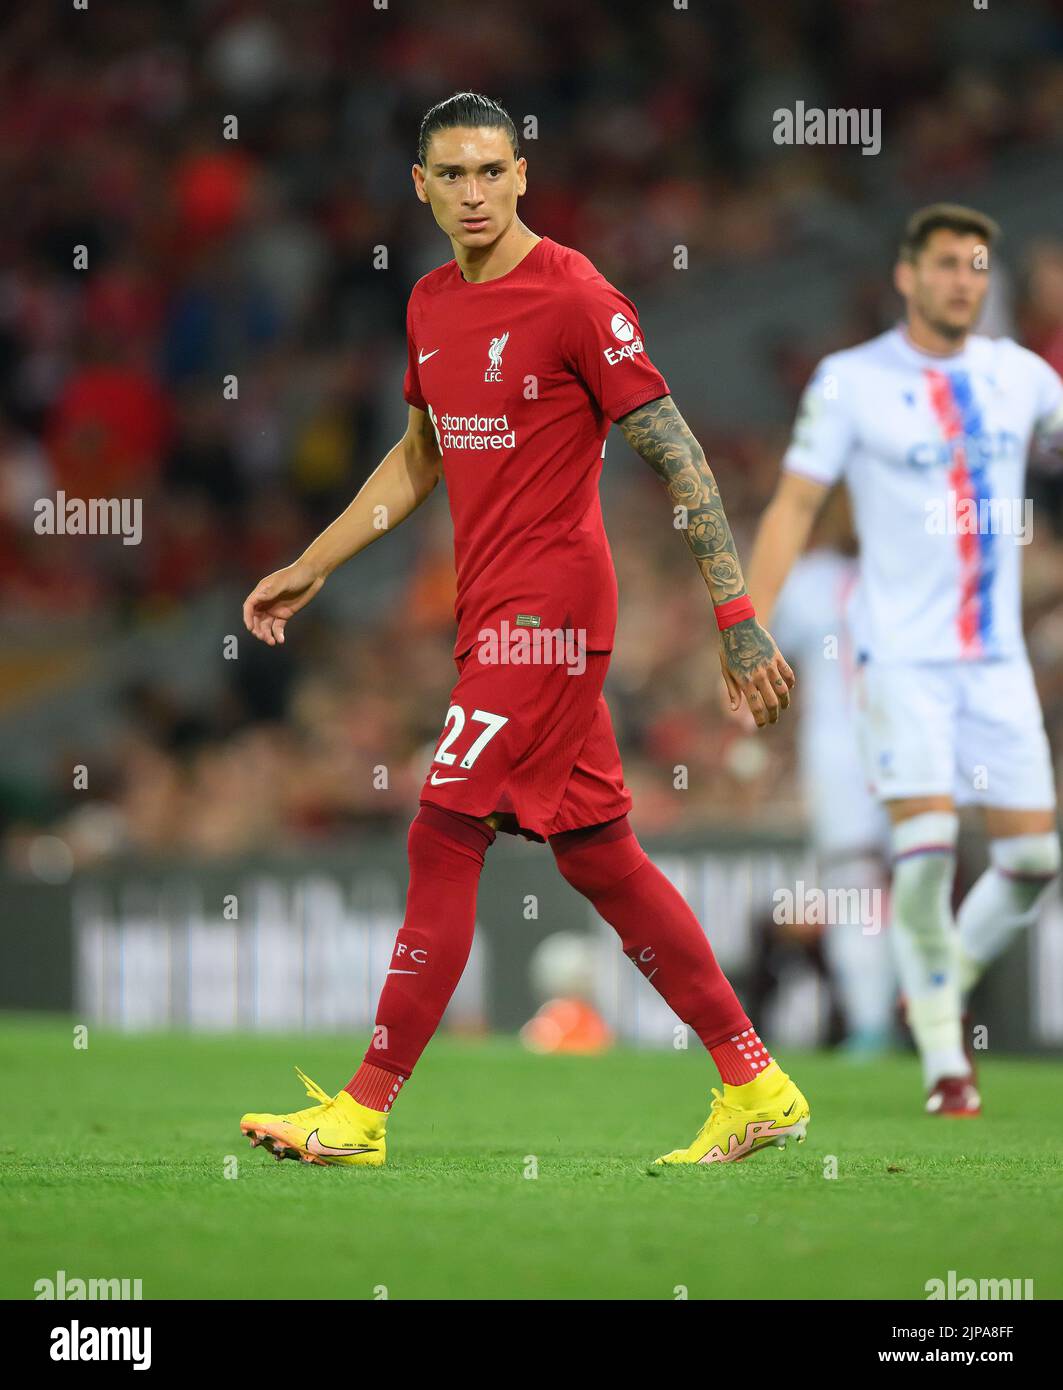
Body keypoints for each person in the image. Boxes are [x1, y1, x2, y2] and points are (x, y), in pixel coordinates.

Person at [239, 92, 806, 1167]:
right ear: (420, 186)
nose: (473, 192)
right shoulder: (428, 303)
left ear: (522, 175)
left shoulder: (576, 296)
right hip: (488, 608)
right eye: (451, 174)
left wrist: (735, 617)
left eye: (491, 171)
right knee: (599, 853)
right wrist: (313, 563)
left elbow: (678, 454)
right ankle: (754, 1081)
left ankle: (361, 1111)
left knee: (443, 827)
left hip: (553, 611)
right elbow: (421, 453)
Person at [744, 203, 1063, 1115]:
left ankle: (931, 981)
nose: (961, 281)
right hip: (900, 662)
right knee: (920, 857)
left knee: (1032, 861)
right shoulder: (850, 383)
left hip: (995, 663)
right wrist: (746, 625)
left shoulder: (1020, 376)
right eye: (944, 265)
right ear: (906, 275)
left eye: (975, 266)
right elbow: (793, 509)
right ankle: (942, 1060)